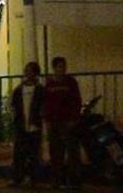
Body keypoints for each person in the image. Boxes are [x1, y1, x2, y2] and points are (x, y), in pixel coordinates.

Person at [44, 56, 81, 189]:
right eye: (60, 66)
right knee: (56, 152)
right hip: (54, 121)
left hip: (67, 121)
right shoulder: (49, 84)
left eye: (64, 66)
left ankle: (73, 181)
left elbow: (76, 101)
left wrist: (74, 118)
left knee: (72, 152)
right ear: (54, 68)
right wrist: (47, 120)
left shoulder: (71, 82)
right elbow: (46, 103)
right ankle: (56, 180)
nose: (62, 69)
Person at [9, 61, 45, 188]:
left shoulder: (40, 89)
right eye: (27, 71)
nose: (28, 74)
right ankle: (18, 177)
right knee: (19, 153)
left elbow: (42, 106)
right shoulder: (19, 89)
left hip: (34, 124)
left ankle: (32, 178)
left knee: (33, 153)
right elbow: (13, 105)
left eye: (31, 71)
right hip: (21, 125)